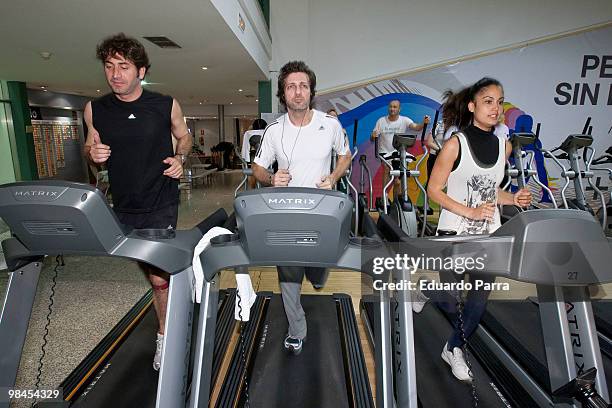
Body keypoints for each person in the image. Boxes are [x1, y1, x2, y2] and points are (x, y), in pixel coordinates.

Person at [83, 33, 192, 371]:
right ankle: (178, 287)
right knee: (151, 271)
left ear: (141, 71)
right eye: (110, 66)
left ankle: (166, 337)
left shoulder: (164, 104)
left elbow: (184, 137)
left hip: (161, 200)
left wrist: (180, 158)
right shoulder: (95, 110)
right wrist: (93, 154)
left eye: (124, 67)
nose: (116, 74)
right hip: (124, 206)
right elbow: (91, 151)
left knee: (159, 277)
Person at [422, 77, 531, 382]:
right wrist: (469, 210)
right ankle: (428, 291)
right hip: (455, 232)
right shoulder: (455, 144)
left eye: (499, 101)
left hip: (487, 234)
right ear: (472, 106)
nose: (495, 108)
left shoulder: (502, 146)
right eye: (488, 101)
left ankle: (453, 347)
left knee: (478, 299)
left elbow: (491, 190)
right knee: (449, 298)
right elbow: (433, 189)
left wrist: (513, 198)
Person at [251, 61, 351, 354]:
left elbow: (345, 155)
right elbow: (256, 167)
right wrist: (271, 177)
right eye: (291, 86)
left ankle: (317, 272)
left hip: (321, 212)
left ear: (311, 92)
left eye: (303, 86)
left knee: (318, 277)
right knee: (289, 272)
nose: (298, 92)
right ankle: (297, 328)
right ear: (283, 93)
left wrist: (333, 177)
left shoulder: (329, 124)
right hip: (286, 214)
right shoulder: (273, 131)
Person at [371, 100, 429, 204]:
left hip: (398, 153)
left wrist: (423, 123)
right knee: (387, 170)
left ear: (399, 109)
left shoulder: (404, 120)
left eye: (395, 107)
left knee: (397, 181)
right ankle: (385, 197)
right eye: (391, 107)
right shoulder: (381, 121)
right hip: (385, 153)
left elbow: (416, 127)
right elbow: (373, 137)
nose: (392, 109)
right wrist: (373, 136)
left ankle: (397, 202)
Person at [241, 118, 267, 189]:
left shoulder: (248, 133)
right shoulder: (268, 132)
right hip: (267, 159)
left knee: (254, 158)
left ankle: (253, 187)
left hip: (253, 159)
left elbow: (245, 149)